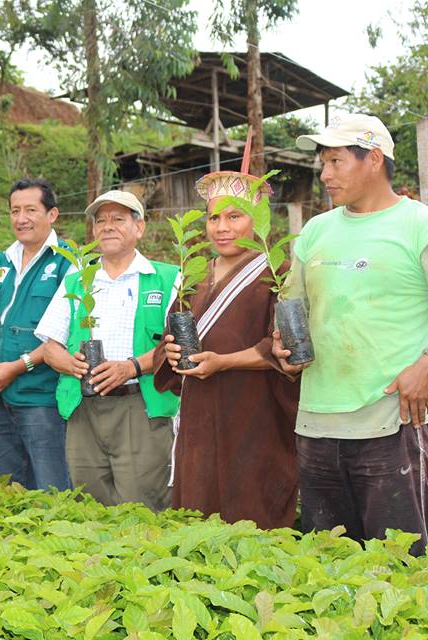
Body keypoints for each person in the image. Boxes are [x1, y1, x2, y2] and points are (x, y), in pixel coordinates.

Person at [276, 113, 428, 555]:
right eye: (323, 163)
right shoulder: (315, 232)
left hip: (387, 424)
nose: (324, 175)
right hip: (316, 423)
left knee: (400, 566)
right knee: (327, 565)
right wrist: (282, 345)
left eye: (336, 162)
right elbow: (292, 307)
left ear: (374, 159)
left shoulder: (423, 228)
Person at [153, 169, 300, 528]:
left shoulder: (278, 273)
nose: (222, 227)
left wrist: (224, 362)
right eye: (214, 217)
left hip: (254, 416)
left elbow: (286, 348)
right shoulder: (195, 274)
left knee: (252, 509)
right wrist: (169, 354)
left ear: (257, 220)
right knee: (197, 511)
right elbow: (167, 336)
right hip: (198, 419)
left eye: (235, 216)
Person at [37, 191, 180, 511]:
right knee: (90, 503)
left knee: (142, 505)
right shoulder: (78, 280)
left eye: (118, 219)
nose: (107, 226)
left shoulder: (166, 277)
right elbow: (49, 347)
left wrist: (131, 367)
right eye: (100, 220)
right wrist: (66, 362)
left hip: (140, 405)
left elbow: (177, 344)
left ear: (139, 227)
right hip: (84, 408)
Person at [0, 179, 73, 491]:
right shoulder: (2, 261)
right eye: (14, 211)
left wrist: (18, 366)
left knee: (50, 489)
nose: (21, 219)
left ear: (52, 214)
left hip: (41, 396)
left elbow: (62, 335)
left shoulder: (68, 261)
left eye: (31, 210)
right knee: (7, 487)